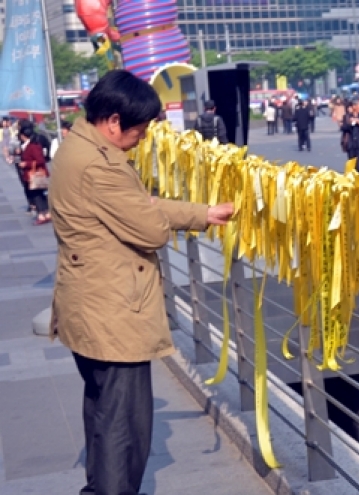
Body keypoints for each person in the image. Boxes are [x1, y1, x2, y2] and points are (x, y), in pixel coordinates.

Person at [49, 69, 234, 495]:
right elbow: (149, 228)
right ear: (113, 121)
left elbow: (138, 206)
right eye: (140, 129)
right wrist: (159, 214)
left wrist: (202, 214)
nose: (143, 137)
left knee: (101, 413)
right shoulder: (102, 168)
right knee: (123, 428)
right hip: (114, 312)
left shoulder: (75, 148)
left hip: (89, 305)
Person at [18, 125, 51, 225]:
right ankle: (47, 213)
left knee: (36, 195)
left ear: (23, 136)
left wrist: (26, 164)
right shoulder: (29, 145)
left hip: (35, 174)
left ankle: (42, 214)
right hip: (33, 174)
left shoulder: (33, 146)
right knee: (40, 194)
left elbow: (40, 161)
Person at [341, 98, 359, 172]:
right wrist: (350, 124)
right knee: (352, 166)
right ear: (354, 107)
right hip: (351, 144)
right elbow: (343, 128)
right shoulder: (347, 116)